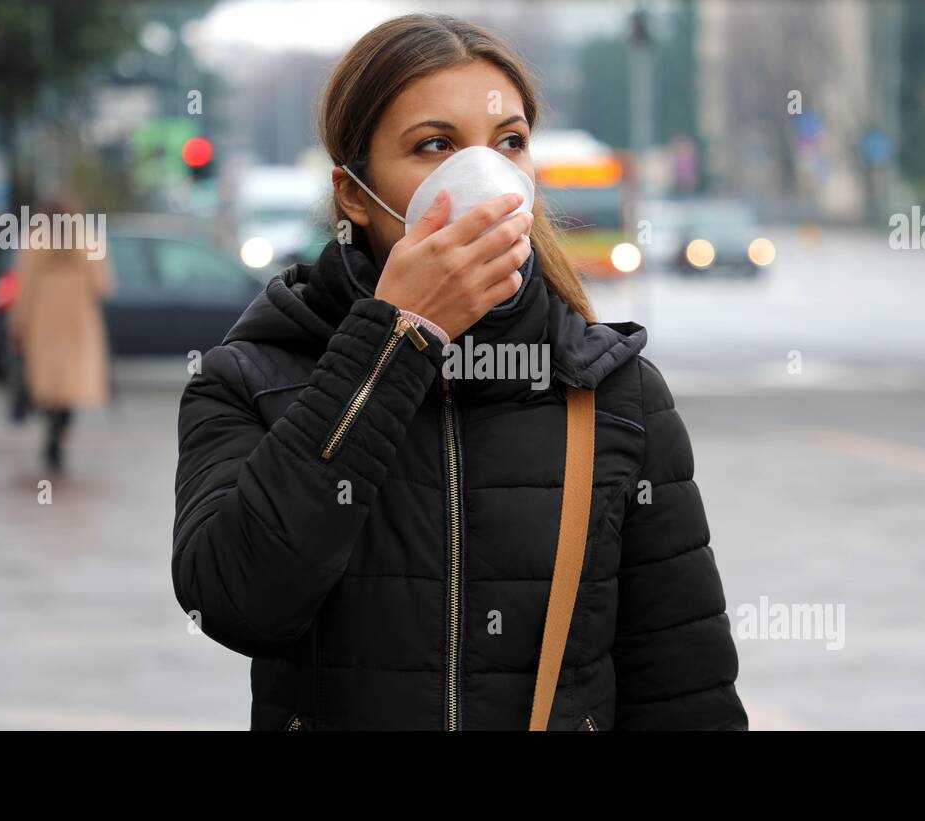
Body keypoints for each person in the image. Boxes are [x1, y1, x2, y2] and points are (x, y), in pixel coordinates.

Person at [172, 13, 747, 731]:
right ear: (355, 193)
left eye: (509, 143)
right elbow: (237, 601)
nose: (486, 175)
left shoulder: (614, 393)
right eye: (435, 145)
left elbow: (685, 691)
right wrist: (393, 342)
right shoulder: (251, 377)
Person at [7, 197, 114, 473]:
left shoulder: (34, 241)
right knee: (71, 383)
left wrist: (18, 323)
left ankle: (52, 429)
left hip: (44, 320)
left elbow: (24, 287)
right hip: (79, 320)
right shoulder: (87, 239)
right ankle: (60, 433)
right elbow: (103, 286)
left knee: (49, 382)